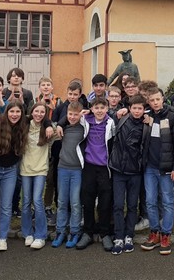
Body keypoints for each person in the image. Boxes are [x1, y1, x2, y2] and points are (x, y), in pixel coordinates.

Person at [140, 87, 174, 255]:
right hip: (150, 168)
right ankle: (154, 232)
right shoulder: (148, 116)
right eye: (152, 100)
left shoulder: (173, 116)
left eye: (157, 99)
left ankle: (166, 234)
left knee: (166, 202)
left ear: (163, 98)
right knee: (150, 201)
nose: (155, 102)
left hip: (166, 169)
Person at [0, 101, 29, 253]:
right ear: (6, 112)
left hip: (10, 171)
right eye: (11, 111)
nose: (14, 115)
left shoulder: (22, 127)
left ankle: (3, 238)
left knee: (6, 206)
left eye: (18, 112)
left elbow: (43, 117)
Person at [73, 97, 116, 251]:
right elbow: (68, 117)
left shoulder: (111, 123)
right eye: (96, 108)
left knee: (105, 202)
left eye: (102, 108)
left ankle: (104, 234)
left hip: (105, 168)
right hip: (89, 166)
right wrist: (81, 113)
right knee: (88, 200)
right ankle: (88, 233)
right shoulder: (85, 120)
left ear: (107, 109)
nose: (99, 111)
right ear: (91, 109)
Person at [108, 95, 147, 254]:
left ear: (144, 110)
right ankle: (118, 236)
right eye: (134, 108)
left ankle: (129, 235)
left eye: (140, 108)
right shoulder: (121, 119)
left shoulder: (147, 125)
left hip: (135, 171)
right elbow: (105, 118)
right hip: (118, 169)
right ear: (129, 108)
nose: (137, 111)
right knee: (118, 205)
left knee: (132, 205)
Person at [46, 80, 83, 226]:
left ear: (80, 95)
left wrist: (63, 123)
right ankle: (60, 212)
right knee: (57, 182)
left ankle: (74, 218)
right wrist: (58, 125)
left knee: (75, 193)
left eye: (75, 94)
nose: (72, 97)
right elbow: (53, 121)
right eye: (70, 94)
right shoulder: (61, 106)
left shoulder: (81, 108)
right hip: (59, 149)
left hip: (74, 154)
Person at [52, 101, 89, 248]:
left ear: (80, 114)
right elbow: (50, 127)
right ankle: (60, 231)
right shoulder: (63, 128)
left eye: (76, 114)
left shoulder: (85, 128)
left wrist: (87, 114)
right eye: (70, 114)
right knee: (61, 201)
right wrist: (60, 124)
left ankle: (75, 231)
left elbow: (97, 116)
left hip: (77, 170)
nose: (73, 117)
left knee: (75, 202)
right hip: (63, 168)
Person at [21, 102, 54, 250]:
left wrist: (50, 125)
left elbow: (57, 127)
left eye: (42, 112)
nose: (39, 114)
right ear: (31, 111)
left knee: (37, 200)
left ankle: (41, 235)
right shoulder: (25, 126)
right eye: (36, 111)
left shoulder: (48, 128)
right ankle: (28, 232)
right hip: (25, 168)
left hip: (40, 169)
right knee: (26, 201)